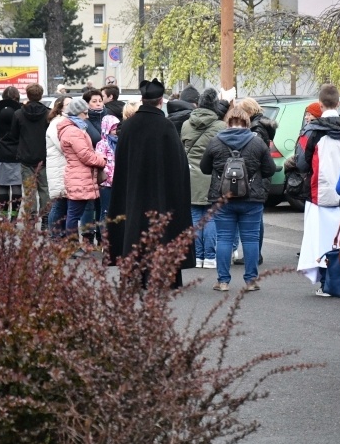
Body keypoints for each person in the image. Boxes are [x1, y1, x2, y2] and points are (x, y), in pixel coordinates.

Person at [106, 78, 195, 288]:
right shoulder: (166, 126)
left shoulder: (128, 126)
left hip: (133, 191)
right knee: (161, 230)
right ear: (160, 101)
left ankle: (134, 276)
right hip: (161, 191)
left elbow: (122, 161)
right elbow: (179, 163)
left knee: (134, 228)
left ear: (142, 100)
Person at [200, 107, 276, 291]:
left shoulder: (215, 141)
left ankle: (223, 281)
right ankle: (251, 281)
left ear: (228, 122)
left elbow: (205, 168)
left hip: (223, 198)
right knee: (250, 239)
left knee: (224, 238)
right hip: (252, 198)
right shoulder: (257, 143)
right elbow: (270, 170)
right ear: (246, 122)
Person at [296, 84, 340, 295]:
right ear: (339, 103)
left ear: (320, 105)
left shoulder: (311, 131)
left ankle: (324, 283)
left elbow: (301, 163)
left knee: (319, 240)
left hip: (318, 194)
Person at [181, 88, 224, 269]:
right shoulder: (220, 127)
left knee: (195, 216)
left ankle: (197, 257)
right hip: (212, 175)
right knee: (211, 217)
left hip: (190, 175)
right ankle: (210, 257)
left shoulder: (186, 124)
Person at [57, 98, 106, 254]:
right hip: (79, 177)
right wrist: (102, 160)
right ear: (77, 113)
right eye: (84, 113)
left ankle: (73, 246)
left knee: (75, 213)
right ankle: (72, 247)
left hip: (79, 176)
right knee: (74, 213)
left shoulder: (73, 128)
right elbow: (85, 155)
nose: (87, 116)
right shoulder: (73, 131)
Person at [237, 97, 279, 265]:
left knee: (255, 217)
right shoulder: (262, 126)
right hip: (262, 175)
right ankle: (254, 253)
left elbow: (254, 154)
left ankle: (254, 255)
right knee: (256, 215)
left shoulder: (256, 128)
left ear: (248, 112)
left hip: (257, 176)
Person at [11, 83, 50, 230]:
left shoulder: (19, 114)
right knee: (45, 189)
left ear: (27, 95)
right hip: (44, 156)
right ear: (41, 95)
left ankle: (30, 219)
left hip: (26, 157)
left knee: (29, 191)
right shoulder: (48, 114)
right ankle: (46, 219)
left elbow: (14, 135)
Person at [0, 87, 23, 222]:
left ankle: (3, 216)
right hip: (18, 151)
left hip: (1, 150)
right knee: (17, 186)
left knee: (3, 186)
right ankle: (14, 217)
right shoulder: (21, 109)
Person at [80, 89, 107, 244]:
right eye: (94, 101)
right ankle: (87, 236)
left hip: (105, 167)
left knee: (102, 203)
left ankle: (101, 235)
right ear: (87, 104)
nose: (98, 104)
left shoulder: (108, 117)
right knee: (89, 204)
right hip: (89, 167)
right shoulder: (84, 121)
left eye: (100, 101)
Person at [46, 95, 73, 238]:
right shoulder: (58, 123)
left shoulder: (66, 121)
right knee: (59, 204)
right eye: (68, 104)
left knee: (63, 204)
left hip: (63, 167)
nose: (71, 106)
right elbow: (64, 146)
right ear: (60, 107)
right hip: (59, 168)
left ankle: (59, 234)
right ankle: (55, 235)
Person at [95, 115, 120, 226]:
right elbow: (101, 163)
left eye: (117, 128)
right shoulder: (102, 144)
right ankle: (104, 238)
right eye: (113, 129)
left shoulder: (120, 142)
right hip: (106, 183)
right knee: (106, 211)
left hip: (119, 182)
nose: (116, 131)